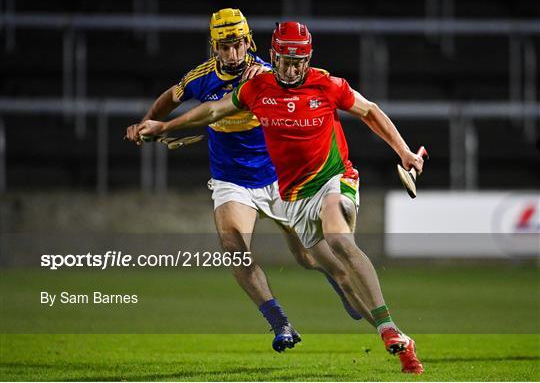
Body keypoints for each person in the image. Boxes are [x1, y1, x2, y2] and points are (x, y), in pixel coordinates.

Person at [127, 21, 425, 374]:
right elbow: (213, 111)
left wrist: (405, 152)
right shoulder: (257, 87)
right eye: (284, 60)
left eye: (299, 62)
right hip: (292, 194)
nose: (291, 69)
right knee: (304, 257)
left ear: (308, 58)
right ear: (273, 55)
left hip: (333, 179)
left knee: (338, 239)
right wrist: (163, 126)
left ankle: (389, 328)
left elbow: (369, 110)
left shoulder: (327, 84)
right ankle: (385, 336)